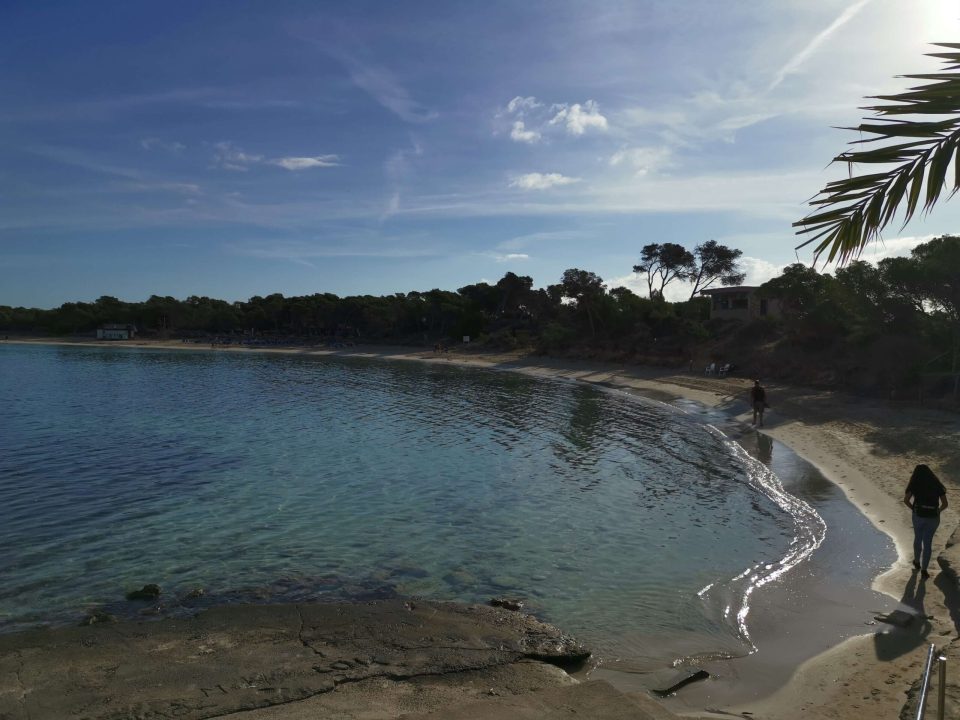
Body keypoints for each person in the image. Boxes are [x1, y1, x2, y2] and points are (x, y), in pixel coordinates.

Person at [904, 464, 948, 578]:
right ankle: (924, 570)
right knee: (927, 542)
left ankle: (917, 562)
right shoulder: (937, 484)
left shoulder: (915, 484)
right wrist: (938, 511)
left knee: (918, 538)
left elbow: (906, 500)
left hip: (918, 515)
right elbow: (945, 504)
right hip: (933, 517)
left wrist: (913, 509)